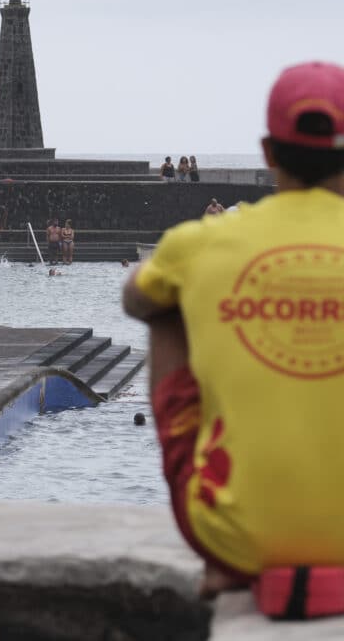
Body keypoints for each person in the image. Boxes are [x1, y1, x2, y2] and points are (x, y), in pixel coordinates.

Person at [122, 61, 344, 602]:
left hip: (235, 540)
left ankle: (228, 545)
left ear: (268, 154)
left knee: (166, 305)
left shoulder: (203, 241)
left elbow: (135, 299)